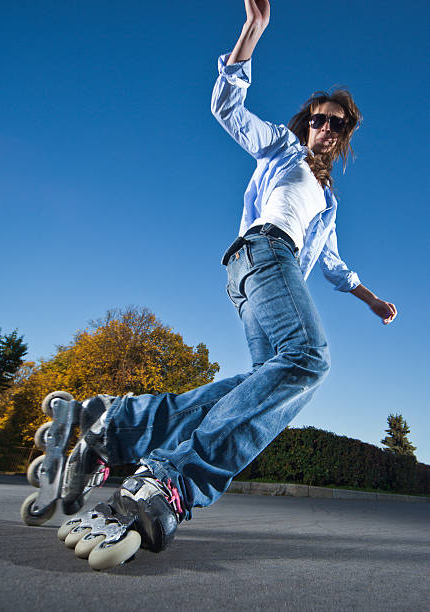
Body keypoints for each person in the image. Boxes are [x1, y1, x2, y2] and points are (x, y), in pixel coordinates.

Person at [52, 0, 397, 570]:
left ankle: (113, 428)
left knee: (254, 387)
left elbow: (334, 265)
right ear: (305, 124)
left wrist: (371, 299)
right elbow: (225, 105)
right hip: (264, 255)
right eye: (317, 118)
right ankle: (171, 482)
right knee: (307, 359)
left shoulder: (329, 203)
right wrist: (251, 32)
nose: (324, 128)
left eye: (336, 122)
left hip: (258, 274)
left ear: (344, 134)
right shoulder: (281, 148)